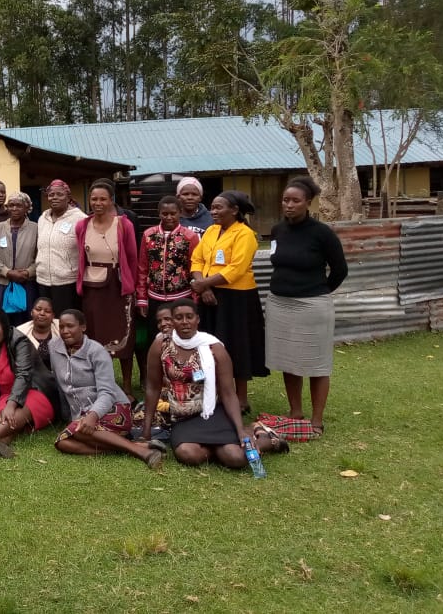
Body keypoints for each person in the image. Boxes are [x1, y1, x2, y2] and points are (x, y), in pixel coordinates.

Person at [141, 299, 288, 466]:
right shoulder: (161, 345)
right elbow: (153, 388)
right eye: (178, 317)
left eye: (189, 317)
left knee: (236, 458)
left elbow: (228, 393)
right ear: (173, 321)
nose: (184, 322)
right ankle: (218, 448)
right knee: (188, 454)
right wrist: (146, 431)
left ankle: (266, 439)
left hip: (213, 412)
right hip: (182, 418)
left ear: (197, 319)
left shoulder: (214, 348)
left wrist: (240, 430)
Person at [266, 176, 348, 436]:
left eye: (295, 201)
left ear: (308, 203)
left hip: (312, 307)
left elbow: (340, 270)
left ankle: (316, 419)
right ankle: (295, 411)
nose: (289, 205)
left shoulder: (322, 233)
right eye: (285, 200)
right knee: (289, 361)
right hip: (279, 304)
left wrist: (318, 292)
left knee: (316, 363)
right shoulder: (278, 230)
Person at [50, 309, 163, 468]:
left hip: (113, 408)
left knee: (78, 430)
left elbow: (107, 393)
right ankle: (134, 447)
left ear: (83, 327)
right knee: (62, 443)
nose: (65, 331)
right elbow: (61, 385)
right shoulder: (54, 347)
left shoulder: (97, 351)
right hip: (81, 416)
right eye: (61, 327)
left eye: (70, 326)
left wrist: (92, 415)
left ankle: (143, 453)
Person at [190, 191, 267, 413]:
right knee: (209, 345)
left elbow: (236, 268)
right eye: (212, 207)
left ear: (234, 210)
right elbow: (197, 259)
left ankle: (240, 398)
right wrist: (203, 285)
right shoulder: (211, 231)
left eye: (219, 207)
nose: (213, 212)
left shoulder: (245, 235)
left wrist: (204, 284)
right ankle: (214, 393)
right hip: (209, 295)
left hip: (237, 299)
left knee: (237, 345)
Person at [0, 305, 60, 458]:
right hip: (7, 395)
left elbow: (24, 375)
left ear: (3, 323)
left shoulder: (19, 341)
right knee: (9, 420)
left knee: (12, 414)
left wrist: (11, 404)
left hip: (36, 391)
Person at [75, 180, 139, 400]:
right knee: (94, 336)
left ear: (111, 200)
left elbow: (132, 257)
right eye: (94, 199)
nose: (98, 203)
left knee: (123, 337)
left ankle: (128, 388)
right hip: (92, 286)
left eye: (103, 199)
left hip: (117, 286)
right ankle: (99, 385)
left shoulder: (123, 224)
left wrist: (133, 287)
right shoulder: (82, 225)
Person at [136, 194, 200, 359]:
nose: (169, 217)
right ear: (159, 214)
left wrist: (195, 299)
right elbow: (142, 268)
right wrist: (142, 297)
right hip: (155, 297)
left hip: (181, 296)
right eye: (165, 214)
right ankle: (156, 377)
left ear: (180, 213)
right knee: (155, 338)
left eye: (173, 213)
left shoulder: (189, 237)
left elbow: (195, 267)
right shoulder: (148, 235)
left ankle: (181, 374)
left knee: (182, 337)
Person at [0, 191, 38, 325]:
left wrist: (28, 272)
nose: (14, 209)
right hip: (3, 285)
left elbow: (41, 257)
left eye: (19, 205)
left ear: (27, 208)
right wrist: (7, 272)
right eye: (11, 205)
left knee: (26, 322)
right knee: (4, 323)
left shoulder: (35, 229)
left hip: (26, 285)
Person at [34, 179, 85, 315]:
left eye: (59, 194)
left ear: (68, 197)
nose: (54, 198)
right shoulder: (42, 219)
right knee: (46, 321)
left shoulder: (80, 219)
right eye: (51, 194)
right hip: (42, 281)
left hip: (67, 283)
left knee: (66, 321)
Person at [15, 297, 61, 370]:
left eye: (47, 311)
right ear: (32, 312)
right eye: (38, 309)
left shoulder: (61, 327)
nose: (42, 313)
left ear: (53, 316)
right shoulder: (20, 332)